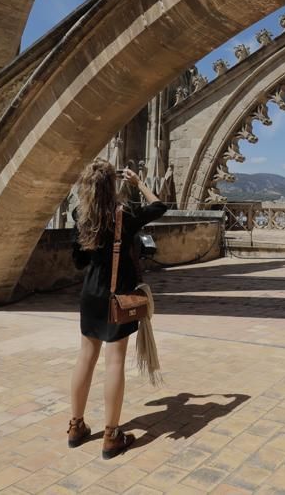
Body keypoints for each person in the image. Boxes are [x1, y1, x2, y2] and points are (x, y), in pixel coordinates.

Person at [67, 159, 167, 459]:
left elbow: (79, 262)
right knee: (114, 363)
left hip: (90, 295)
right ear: (113, 185)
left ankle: (76, 426)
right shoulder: (125, 215)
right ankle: (111, 436)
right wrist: (138, 184)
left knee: (85, 358)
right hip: (117, 297)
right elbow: (160, 206)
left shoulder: (81, 215)